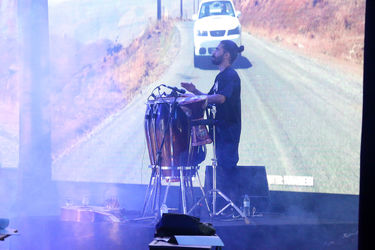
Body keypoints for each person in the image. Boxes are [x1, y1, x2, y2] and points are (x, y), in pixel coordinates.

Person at [181, 40, 244, 202]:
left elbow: (220, 98)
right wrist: (194, 91)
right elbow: (209, 100)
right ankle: (224, 205)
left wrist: (198, 97)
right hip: (220, 128)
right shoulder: (221, 76)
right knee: (222, 165)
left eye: (217, 50)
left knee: (227, 166)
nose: (213, 52)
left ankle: (234, 205)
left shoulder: (230, 75)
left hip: (228, 129)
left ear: (227, 55)